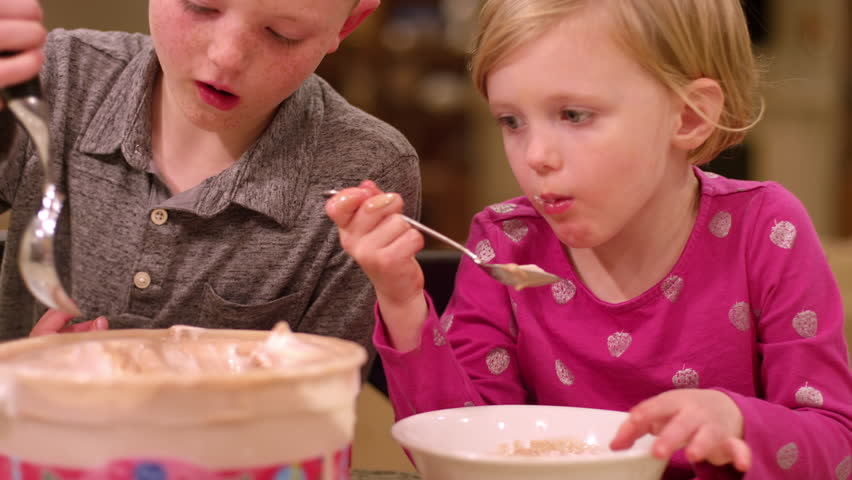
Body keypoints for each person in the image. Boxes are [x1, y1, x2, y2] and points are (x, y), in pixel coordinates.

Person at [325, 0, 852, 478]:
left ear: (689, 115)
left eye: (574, 115)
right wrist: (401, 299)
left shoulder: (765, 230)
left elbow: (835, 445)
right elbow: (457, 446)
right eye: (512, 121)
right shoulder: (505, 243)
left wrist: (735, 418)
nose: (536, 156)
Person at [0, 0, 421, 372]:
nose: (227, 57)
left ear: (348, 24)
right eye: (200, 6)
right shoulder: (54, 79)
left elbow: (322, 404)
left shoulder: (367, 168)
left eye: (283, 33)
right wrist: (17, 380)